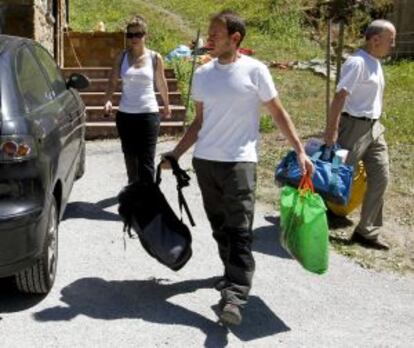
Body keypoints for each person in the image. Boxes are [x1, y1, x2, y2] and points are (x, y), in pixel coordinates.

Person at [163, 10, 313, 325]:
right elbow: (199, 123)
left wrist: (299, 149)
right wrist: (175, 155)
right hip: (206, 163)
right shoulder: (203, 74)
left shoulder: (255, 71)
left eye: (216, 33)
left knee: (240, 231)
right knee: (220, 228)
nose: (209, 38)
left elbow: (277, 111)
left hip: (240, 163)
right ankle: (231, 274)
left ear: (235, 38)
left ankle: (235, 296)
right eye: (209, 32)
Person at [324, 19, 397, 250]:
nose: (393, 45)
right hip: (352, 127)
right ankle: (307, 214)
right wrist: (332, 130)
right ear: (375, 40)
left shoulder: (375, 61)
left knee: (381, 177)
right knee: (334, 178)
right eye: (390, 40)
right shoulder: (357, 63)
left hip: (374, 128)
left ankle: (367, 232)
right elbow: (339, 97)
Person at [104, 15, 171, 184]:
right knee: (130, 157)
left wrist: (166, 104)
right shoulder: (122, 57)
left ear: (145, 35)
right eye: (130, 35)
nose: (134, 38)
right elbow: (112, 80)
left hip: (148, 113)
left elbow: (161, 83)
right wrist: (108, 99)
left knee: (146, 158)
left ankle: (148, 198)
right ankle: (134, 193)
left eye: (138, 34)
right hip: (125, 115)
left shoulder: (155, 58)